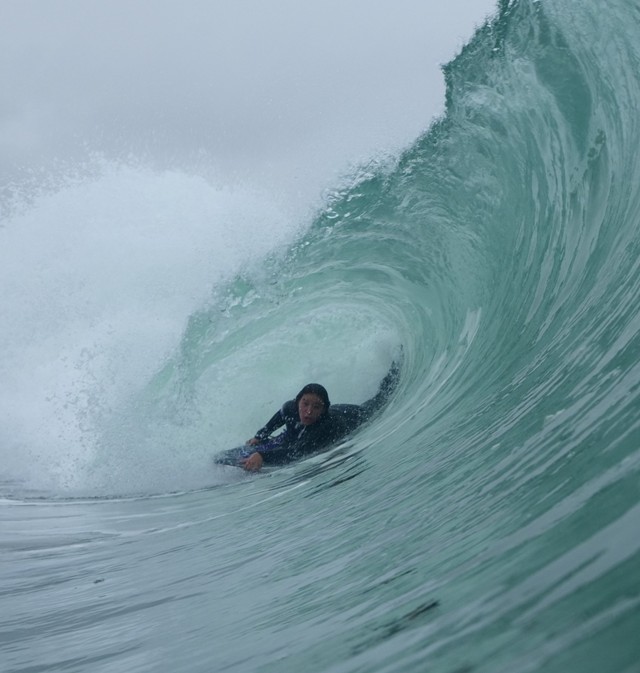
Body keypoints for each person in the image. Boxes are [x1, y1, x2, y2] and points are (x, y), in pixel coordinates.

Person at [237, 358, 401, 471]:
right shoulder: (290, 408)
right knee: (287, 436)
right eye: (305, 404)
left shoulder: (324, 426)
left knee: (380, 399)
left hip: (354, 415)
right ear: (297, 402)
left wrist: (262, 456)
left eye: (316, 407)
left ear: (323, 410)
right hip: (333, 414)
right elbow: (278, 418)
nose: (309, 411)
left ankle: (396, 368)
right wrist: (259, 436)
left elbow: (295, 453)